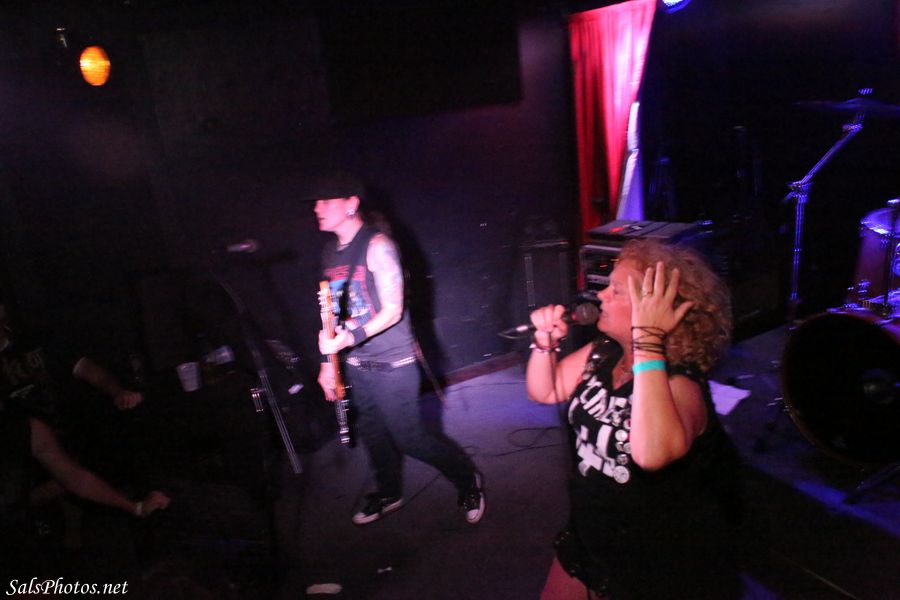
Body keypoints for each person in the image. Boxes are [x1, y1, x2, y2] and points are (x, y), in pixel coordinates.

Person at [526, 239, 742, 600]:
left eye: (616, 291)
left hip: (655, 558)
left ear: (655, 310)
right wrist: (545, 343)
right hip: (591, 534)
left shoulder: (681, 384)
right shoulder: (603, 352)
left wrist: (648, 340)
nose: (601, 296)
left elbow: (651, 454)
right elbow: (545, 390)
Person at [310, 172, 484, 525]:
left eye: (326, 200)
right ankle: (389, 492)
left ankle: (468, 480)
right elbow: (333, 314)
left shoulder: (377, 246)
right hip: (357, 364)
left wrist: (349, 339)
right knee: (373, 434)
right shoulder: (329, 252)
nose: (317, 208)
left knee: (410, 439)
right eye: (316, 202)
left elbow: (393, 309)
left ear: (351, 204)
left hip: (393, 363)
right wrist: (328, 363)